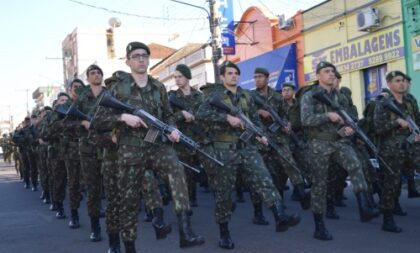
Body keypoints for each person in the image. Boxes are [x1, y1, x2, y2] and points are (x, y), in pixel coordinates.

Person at [95, 41, 204, 253]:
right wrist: (122, 117)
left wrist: (173, 129)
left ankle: (185, 231)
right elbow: (98, 121)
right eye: (136, 56)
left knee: (177, 169)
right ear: (128, 61)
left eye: (144, 55)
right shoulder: (118, 87)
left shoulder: (158, 87)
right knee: (129, 200)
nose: (141, 59)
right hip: (130, 149)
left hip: (155, 145)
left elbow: (167, 115)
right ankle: (129, 247)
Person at [196, 61, 301, 249]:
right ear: (222, 77)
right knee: (224, 193)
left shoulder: (246, 95)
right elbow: (200, 115)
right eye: (229, 73)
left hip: (247, 147)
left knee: (264, 178)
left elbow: (254, 119)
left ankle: (279, 215)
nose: (234, 76)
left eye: (236, 73)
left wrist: (260, 135)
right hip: (224, 149)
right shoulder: (214, 95)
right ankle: (224, 232)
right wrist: (226, 118)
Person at [300, 61, 379, 240]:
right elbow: (306, 120)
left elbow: (348, 117)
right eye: (326, 71)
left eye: (333, 72)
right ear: (318, 75)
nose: (331, 74)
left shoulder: (340, 96)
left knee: (356, 165)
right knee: (320, 185)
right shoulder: (310, 95)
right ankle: (319, 226)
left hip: (339, 141)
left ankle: (364, 207)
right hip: (319, 143)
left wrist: (349, 128)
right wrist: (327, 116)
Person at [251, 67, 310, 211]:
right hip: (260, 139)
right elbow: (245, 113)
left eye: (260, 76)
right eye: (256, 77)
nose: (257, 79)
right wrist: (259, 111)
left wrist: (287, 124)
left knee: (289, 164)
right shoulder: (250, 96)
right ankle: (258, 210)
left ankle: (301, 195)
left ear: (267, 78)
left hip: (278, 138)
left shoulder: (277, 97)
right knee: (260, 174)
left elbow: (286, 115)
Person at [373, 70, 420, 232]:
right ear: (390, 84)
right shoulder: (383, 103)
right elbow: (378, 128)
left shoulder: (410, 100)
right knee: (391, 184)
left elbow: (417, 120)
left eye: (403, 80)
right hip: (391, 149)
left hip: (412, 146)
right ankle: (388, 219)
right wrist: (396, 123)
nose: (401, 83)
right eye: (397, 80)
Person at [75, 65, 105, 242]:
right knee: (93, 189)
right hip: (88, 148)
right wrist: (83, 123)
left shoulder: (109, 94)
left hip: (107, 147)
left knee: (112, 188)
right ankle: (95, 227)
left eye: (99, 72)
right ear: (87, 78)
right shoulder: (81, 97)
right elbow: (72, 120)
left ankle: (115, 230)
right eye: (93, 73)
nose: (96, 75)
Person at [168, 64, 204, 207]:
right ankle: (186, 200)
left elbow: (204, 114)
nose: (177, 79)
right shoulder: (172, 97)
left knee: (198, 169)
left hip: (199, 137)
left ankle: (193, 195)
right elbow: (167, 117)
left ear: (187, 77)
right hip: (181, 139)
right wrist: (181, 114)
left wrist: (196, 117)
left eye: (180, 76)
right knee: (185, 171)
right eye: (175, 77)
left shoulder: (199, 96)